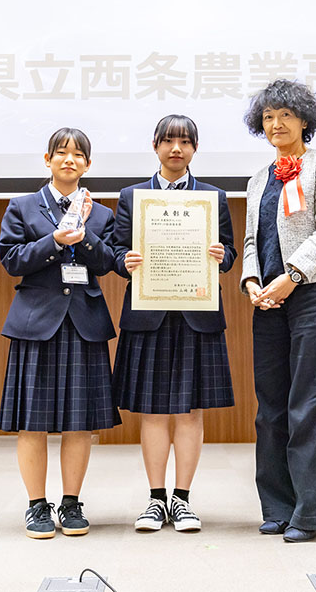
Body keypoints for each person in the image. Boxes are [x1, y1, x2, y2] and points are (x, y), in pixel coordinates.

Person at [111, 114, 237, 533]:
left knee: (190, 412)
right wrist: (121, 261)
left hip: (197, 313)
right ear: (155, 146)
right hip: (148, 314)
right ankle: (155, 500)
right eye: (168, 141)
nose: (176, 149)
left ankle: (182, 501)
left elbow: (232, 253)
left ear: (195, 149)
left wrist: (222, 256)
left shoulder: (213, 197)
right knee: (151, 411)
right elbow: (115, 250)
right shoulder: (132, 196)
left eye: (184, 142)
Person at [0, 128, 120, 539]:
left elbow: (107, 263)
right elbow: (12, 260)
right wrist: (54, 240)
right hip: (36, 323)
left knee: (79, 422)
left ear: (88, 164)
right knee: (32, 423)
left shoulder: (100, 213)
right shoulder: (22, 206)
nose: (70, 160)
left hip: (84, 323)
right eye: (61, 153)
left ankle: (70, 503)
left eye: (78, 154)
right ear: (47, 159)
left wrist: (83, 238)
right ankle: (36, 506)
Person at [240, 80, 316, 543]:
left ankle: (313, 512)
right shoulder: (258, 178)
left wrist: (293, 275)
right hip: (267, 299)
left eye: (285, 114)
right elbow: (249, 242)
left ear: (305, 119)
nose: (275, 124)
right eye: (267, 117)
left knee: (312, 403)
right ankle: (279, 507)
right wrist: (250, 282)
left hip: (313, 291)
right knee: (271, 408)